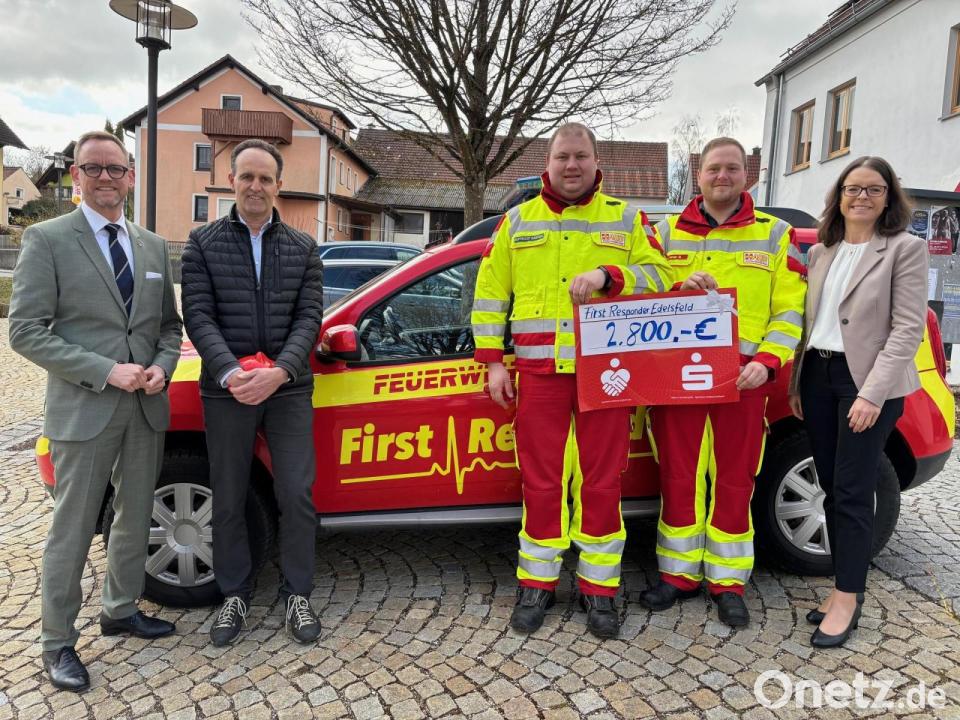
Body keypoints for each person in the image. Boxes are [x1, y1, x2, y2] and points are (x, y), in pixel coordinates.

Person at [472, 123, 673, 639]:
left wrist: (611, 276)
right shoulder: (517, 222)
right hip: (539, 375)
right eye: (563, 156)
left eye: (581, 156)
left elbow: (662, 276)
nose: (571, 165)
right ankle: (536, 584)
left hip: (606, 374)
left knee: (602, 481)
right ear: (548, 162)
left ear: (595, 161)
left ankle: (599, 588)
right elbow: (490, 293)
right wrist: (493, 361)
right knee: (540, 482)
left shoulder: (626, 218)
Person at [9, 130, 182, 691]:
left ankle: (120, 609)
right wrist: (106, 370)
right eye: (93, 167)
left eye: (115, 168)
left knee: (134, 516)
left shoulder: (152, 245)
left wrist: (162, 366)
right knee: (74, 528)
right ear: (76, 175)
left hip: (145, 407)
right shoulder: (48, 239)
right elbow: (26, 331)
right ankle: (57, 642)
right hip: (85, 407)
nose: (105, 177)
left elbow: (168, 327)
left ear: (131, 175)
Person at [640, 137, 807, 628]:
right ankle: (677, 575)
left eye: (732, 168)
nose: (722, 176)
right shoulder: (663, 233)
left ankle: (729, 582)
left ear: (746, 174)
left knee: (736, 479)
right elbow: (639, 292)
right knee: (678, 475)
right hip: (678, 379)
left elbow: (790, 310)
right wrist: (677, 286)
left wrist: (769, 362)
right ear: (698, 174)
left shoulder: (775, 235)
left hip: (744, 378)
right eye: (714, 168)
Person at [181, 138, 324, 646]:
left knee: (296, 493)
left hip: (287, 389)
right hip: (227, 389)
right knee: (228, 494)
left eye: (265, 178)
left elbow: (310, 318)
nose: (256, 186)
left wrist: (280, 372)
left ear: (279, 185)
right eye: (247, 176)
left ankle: (298, 593)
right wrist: (229, 372)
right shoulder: (202, 243)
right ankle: (234, 594)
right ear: (232, 181)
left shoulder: (304, 247)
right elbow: (197, 314)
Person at [788, 157, 927, 648]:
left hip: (866, 382)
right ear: (839, 196)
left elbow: (907, 329)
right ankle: (843, 587)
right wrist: (798, 385)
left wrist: (871, 393)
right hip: (818, 376)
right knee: (830, 485)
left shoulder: (905, 250)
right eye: (853, 188)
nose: (861, 197)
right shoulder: (822, 251)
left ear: (888, 197)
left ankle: (847, 597)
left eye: (873, 189)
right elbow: (811, 325)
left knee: (852, 490)